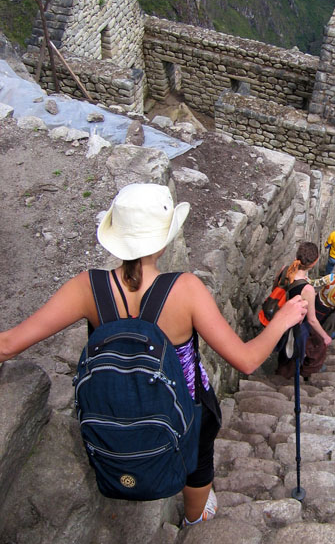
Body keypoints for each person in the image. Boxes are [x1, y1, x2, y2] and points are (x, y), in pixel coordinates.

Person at [0, 183, 307, 526]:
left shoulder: (87, 287)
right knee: (198, 462)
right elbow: (247, 360)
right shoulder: (185, 290)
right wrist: (281, 321)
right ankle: (194, 518)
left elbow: (8, 344)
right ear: (162, 241)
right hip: (185, 406)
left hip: (115, 403)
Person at [275, 242, 332, 380]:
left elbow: (276, 290)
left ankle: (280, 374)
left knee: (284, 352)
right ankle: (288, 378)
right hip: (295, 326)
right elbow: (312, 319)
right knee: (294, 352)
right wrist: (325, 336)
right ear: (314, 263)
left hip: (280, 317)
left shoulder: (284, 270)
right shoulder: (307, 289)